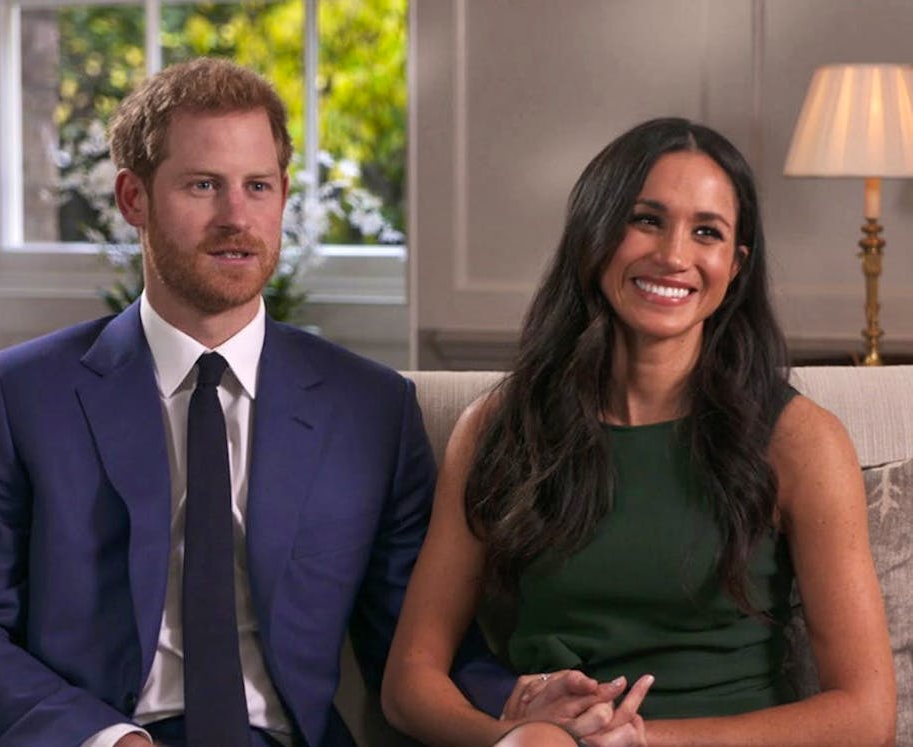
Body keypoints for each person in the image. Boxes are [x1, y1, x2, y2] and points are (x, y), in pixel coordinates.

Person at [0, 57, 521, 747]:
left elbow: (421, 645)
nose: (236, 217)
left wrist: (520, 700)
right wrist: (106, 740)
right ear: (133, 198)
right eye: (203, 185)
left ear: (283, 196)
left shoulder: (371, 409)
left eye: (257, 186)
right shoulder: (21, 395)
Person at [382, 117, 896, 746]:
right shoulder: (498, 428)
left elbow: (866, 713)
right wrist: (511, 738)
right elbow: (410, 681)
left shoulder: (801, 440)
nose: (674, 256)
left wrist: (642, 741)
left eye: (706, 232)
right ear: (594, 235)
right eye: (646, 220)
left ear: (735, 265)